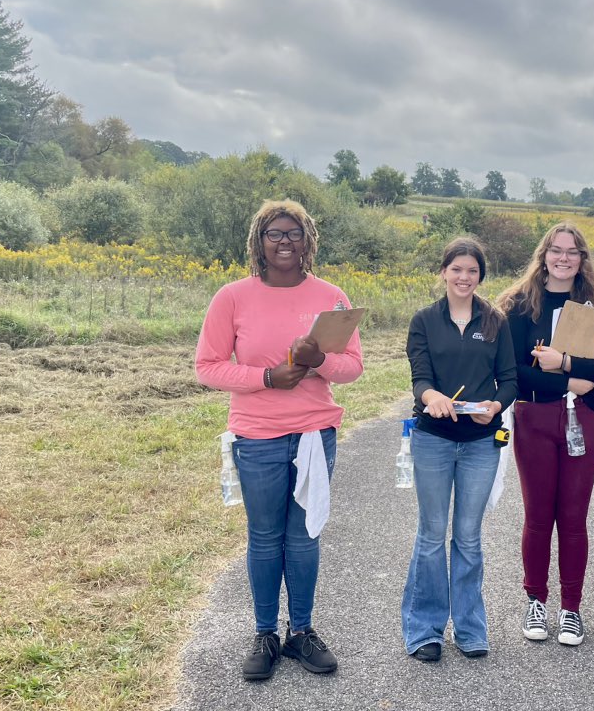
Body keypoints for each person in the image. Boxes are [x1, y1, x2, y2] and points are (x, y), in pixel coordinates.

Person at [195, 200, 364, 681]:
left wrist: (318, 362)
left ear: (308, 240)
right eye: (275, 233)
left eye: (294, 233)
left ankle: (302, 632)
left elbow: (352, 366)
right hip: (258, 435)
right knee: (265, 538)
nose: (285, 241)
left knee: (304, 536)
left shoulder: (332, 296)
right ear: (259, 241)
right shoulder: (232, 297)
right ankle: (266, 633)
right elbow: (207, 366)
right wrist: (268, 377)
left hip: (315, 433)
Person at [495, 223, 594, 646]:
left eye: (572, 252)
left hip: (583, 420)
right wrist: (569, 381)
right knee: (537, 516)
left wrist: (565, 362)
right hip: (534, 417)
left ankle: (571, 608)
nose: (564, 258)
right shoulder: (517, 305)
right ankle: (535, 600)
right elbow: (512, 370)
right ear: (543, 254)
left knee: (573, 518)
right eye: (556, 250)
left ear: (583, 258)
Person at [402, 237, 517, 662]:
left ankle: (470, 628)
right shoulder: (424, 320)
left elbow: (509, 379)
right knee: (432, 535)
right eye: (457, 269)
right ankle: (424, 630)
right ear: (444, 272)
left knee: (468, 537)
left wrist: (496, 405)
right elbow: (419, 377)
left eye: (472, 271)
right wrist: (431, 396)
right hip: (433, 439)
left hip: (481, 443)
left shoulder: (496, 321)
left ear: (480, 276)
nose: (464, 277)